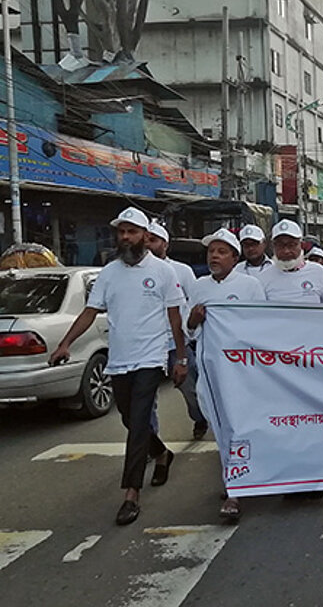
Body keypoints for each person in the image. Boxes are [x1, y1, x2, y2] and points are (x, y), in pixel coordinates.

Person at [49, 207, 187, 526]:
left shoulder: (163, 272)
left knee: (138, 420)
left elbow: (175, 318)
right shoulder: (109, 272)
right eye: (121, 232)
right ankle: (162, 453)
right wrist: (65, 343)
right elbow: (89, 311)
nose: (125, 237)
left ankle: (131, 494)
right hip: (120, 359)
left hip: (151, 357)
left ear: (144, 236)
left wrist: (180, 358)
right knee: (128, 417)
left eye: (132, 232)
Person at [185, 228, 266, 522]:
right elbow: (189, 330)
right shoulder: (198, 286)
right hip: (210, 368)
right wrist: (193, 320)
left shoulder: (250, 286)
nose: (214, 257)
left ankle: (236, 487)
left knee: (239, 426)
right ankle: (235, 479)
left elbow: (262, 326)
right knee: (220, 428)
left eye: (221, 252)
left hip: (242, 369)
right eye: (211, 252)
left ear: (235, 257)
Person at [145, 220, 206, 440]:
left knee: (191, 389)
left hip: (176, 342)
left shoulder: (181, 271)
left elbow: (194, 300)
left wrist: (189, 327)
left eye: (154, 240)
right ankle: (150, 441)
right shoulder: (133, 272)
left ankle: (200, 417)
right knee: (145, 398)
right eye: (146, 240)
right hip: (148, 346)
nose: (148, 245)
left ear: (165, 245)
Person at [259, 220, 323, 303]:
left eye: (291, 245)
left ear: (301, 245)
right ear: (273, 247)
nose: (286, 251)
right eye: (280, 245)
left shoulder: (318, 272)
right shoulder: (263, 278)